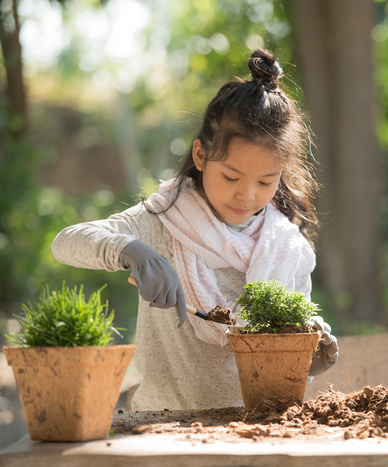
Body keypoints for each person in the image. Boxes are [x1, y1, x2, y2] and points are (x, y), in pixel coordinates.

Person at [51, 49, 338, 411]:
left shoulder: (287, 247)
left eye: (266, 181)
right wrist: (132, 251)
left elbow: (289, 372)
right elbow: (65, 242)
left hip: (254, 432)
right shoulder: (163, 219)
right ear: (201, 156)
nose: (247, 195)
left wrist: (312, 352)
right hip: (160, 426)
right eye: (232, 176)